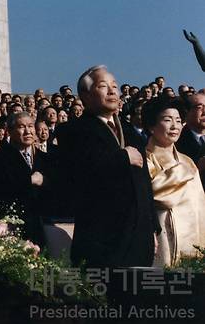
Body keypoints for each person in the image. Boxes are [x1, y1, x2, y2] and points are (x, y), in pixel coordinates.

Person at [57, 65, 159, 268]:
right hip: (101, 236)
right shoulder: (73, 131)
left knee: (140, 287)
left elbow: (145, 184)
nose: (112, 91)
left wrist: (153, 228)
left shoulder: (131, 132)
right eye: (103, 86)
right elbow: (79, 174)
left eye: (115, 85)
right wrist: (122, 158)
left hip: (139, 235)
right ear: (85, 96)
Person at [142, 97, 205, 266]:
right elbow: (156, 194)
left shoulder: (187, 161)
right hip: (164, 235)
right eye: (167, 120)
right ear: (151, 126)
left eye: (178, 120)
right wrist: (180, 171)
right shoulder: (143, 160)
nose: (174, 126)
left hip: (196, 234)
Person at [0, 112, 51, 246]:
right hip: (15, 226)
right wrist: (29, 180)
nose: (28, 131)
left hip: (45, 224)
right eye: (22, 127)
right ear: (10, 131)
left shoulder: (46, 158)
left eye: (30, 126)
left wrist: (45, 182)